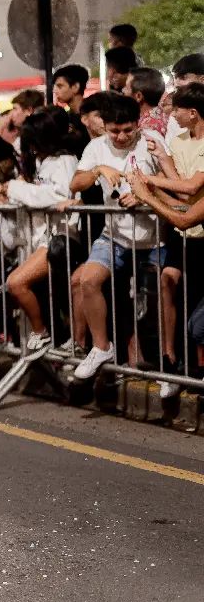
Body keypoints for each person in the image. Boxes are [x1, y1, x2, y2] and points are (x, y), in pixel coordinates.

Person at [68, 94, 170, 381]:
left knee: (154, 306)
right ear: (104, 125)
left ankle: (167, 366)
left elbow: (173, 182)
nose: (122, 137)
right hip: (114, 235)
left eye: (128, 130)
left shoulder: (151, 141)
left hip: (154, 237)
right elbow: (75, 183)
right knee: (87, 279)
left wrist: (145, 196)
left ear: (138, 124)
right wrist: (99, 169)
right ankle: (101, 347)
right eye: (115, 131)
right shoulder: (96, 147)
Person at [128, 82, 204, 397]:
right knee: (168, 281)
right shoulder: (179, 140)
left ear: (193, 112)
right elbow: (181, 189)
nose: (171, 115)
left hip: (197, 230)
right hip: (184, 230)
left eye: (176, 109)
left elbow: (190, 190)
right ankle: (169, 360)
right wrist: (161, 163)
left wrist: (147, 186)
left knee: (197, 321)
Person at [4, 111, 81, 353]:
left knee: (16, 282)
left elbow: (57, 196)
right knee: (42, 292)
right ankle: (52, 335)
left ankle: (41, 332)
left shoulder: (64, 160)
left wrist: (15, 189)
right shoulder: (44, 162)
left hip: (61, 236)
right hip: (43, 238)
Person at [127, 67, 167, 137]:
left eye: (126, 88)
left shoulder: (148, 130)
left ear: (138, 96)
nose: (122, 91)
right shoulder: (160, 115)